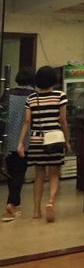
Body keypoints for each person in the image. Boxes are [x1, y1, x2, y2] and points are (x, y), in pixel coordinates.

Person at [16, 65, 70, 222]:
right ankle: (51, 201)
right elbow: (63, 120)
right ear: (54, 79)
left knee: (39, 175)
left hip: (36, 140)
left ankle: (36, 210)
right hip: (55, 140)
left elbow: (27, 122)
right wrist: (67, 140)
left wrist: (20, 143)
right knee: (54, 173)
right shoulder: (60, 96)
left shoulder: (31, 98)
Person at [2, 67, 35, 221]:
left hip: (8, 139)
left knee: (11, 172)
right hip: (25, 139)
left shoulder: (8, 93)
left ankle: (16, 203)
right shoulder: (33, 95)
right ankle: (11, 203)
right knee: (19, 173)